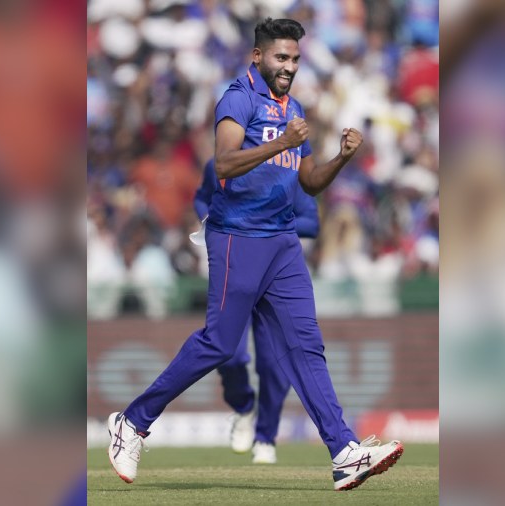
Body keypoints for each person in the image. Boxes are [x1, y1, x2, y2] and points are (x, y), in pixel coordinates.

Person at [108, 18, 404, 491]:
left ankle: (344, 452)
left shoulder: (294, 107)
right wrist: (282, 142)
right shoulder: (238, 98)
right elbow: (223, 164)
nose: (289, 66)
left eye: (295, 58)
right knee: (220, 344)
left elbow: (309, 182)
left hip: (283, 241)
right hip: (237, 235)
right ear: (258, 56)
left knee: (306, 344)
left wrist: (342, 158)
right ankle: (132, 422)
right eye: (281, 57)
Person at [194, 157, 320, 464]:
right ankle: (243, 406)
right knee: (229, 354)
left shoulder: (289, 167)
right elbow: (202, 198)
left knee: (274, 363)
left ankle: (266, 436)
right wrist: (213, 220)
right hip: (234, 268)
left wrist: (264, 222)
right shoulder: (221, 164)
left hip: (275, 276)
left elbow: (311, 223)